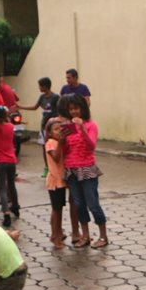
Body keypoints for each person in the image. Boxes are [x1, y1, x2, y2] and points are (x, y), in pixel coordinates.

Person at [59, 94, 108, 249]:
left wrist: (81, 128)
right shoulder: (68, 127)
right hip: (72, 170)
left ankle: (103, 236)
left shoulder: (90, 125)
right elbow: (66, 150)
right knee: (79, 205)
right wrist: (62, 139)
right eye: (71, 109)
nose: (74, 112)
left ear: (83, 108)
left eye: (76, 108)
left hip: (87, 170)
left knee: (93, 204)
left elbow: (91, 146)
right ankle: (85, 235)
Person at [44, 117, 69, 248]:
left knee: (59, 209)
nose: (59, 131)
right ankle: (55, 236)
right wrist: (60, 143)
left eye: (61, 129)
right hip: (54, 181)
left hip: (61, 181)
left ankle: (58, 233)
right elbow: (56, 157)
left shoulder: (58, 142)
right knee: (56, 210)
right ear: (49, 132)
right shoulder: (50, 143)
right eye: (55, 129)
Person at [20, 77, 59, 141]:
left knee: (52, 144)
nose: (39, 88)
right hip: (44, 124)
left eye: (40, 86)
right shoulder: (42, 97)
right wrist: (21, 107)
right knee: (44, 145)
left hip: (53, 125)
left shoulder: (55, 97)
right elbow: (34, 107)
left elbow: (60, 110)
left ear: (45, 86)